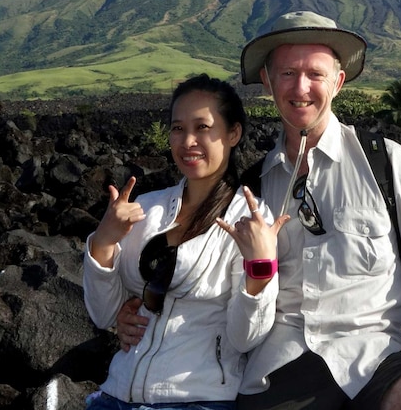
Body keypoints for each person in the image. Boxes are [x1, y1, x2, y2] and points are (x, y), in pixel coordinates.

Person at [117, 12, 401, 409]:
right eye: (288, 73)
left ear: (338, 82)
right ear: (268, 82)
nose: (301, 87)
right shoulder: (252, 190)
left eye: (316, 74)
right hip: (278, 371)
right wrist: (139, 312)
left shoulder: (385, 164)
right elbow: (205, 283)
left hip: (377, 358)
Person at [83, 73, 289, 410]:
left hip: (197, 399)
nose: (188, 141)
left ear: (233, 133)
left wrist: (260, 271)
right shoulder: (145, 209)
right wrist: (103, 242)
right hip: (116, 393)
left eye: (203, 127)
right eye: (178, 128)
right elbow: (104, 314)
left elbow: (244, 338)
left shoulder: (251, 222)